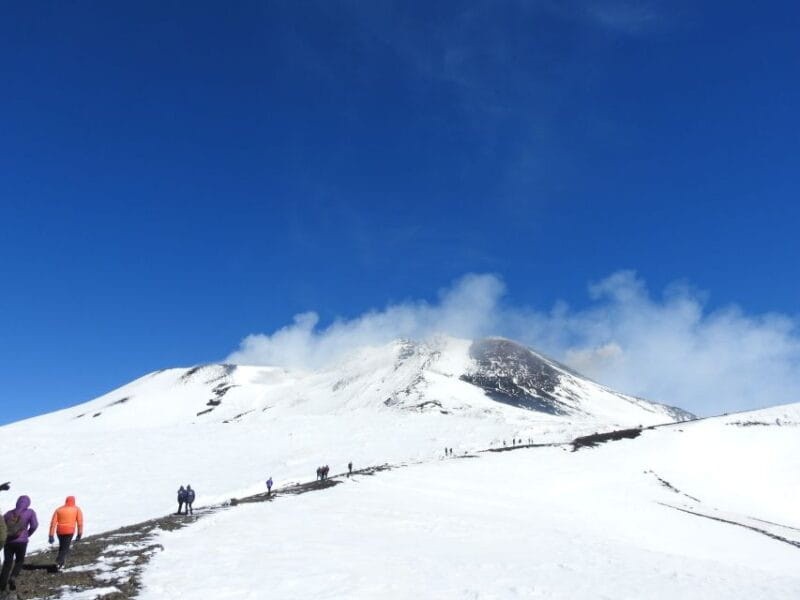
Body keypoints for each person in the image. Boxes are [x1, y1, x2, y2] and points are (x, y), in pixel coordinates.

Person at [1, 495, 38, 592]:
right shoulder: (30, 512)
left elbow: (2, 526)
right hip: (22, 542)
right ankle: (13, 577)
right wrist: (28, 534)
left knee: (7, 563)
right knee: (19, 560)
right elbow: (34, 525)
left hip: (8, 541)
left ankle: (2, 586)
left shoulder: (9, 513)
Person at [48, 496, 84, 570]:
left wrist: (51, 535)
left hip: (60, 531)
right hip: (69, 531)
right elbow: (80, 522)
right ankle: (59, 561)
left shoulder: (59, 509)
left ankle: (61, 564)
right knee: (65, 548)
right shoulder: (77, 509)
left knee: (62, 546)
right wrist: (79, 534)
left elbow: (53, 523)